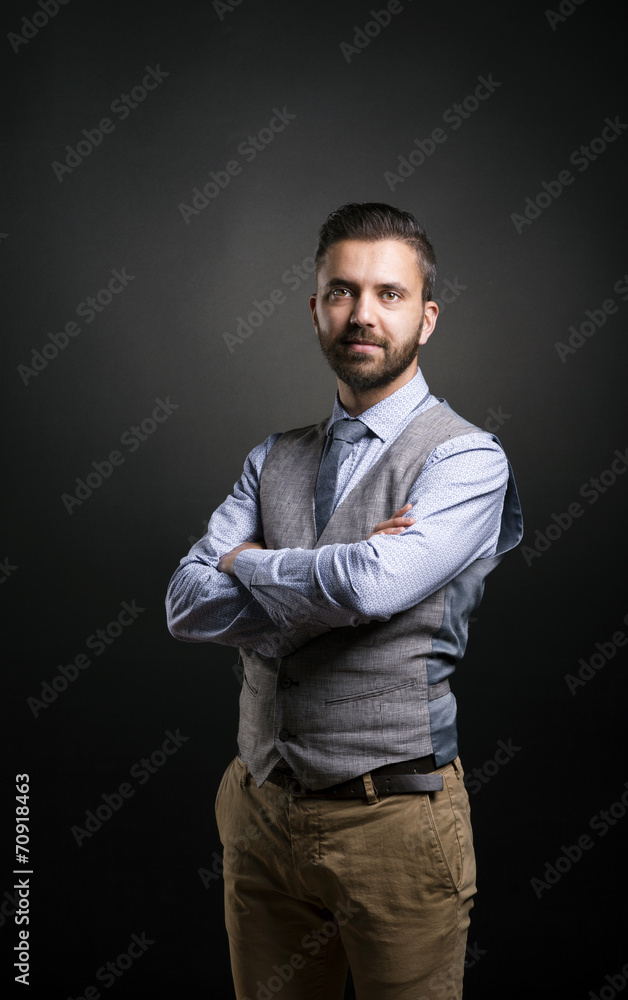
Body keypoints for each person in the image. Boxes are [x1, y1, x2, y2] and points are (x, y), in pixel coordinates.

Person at [165, 202, 523, 999]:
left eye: (388, 294)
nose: (362, 314)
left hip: (392, 821)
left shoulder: (466, 461)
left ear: (425, 318)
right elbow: (186, 604)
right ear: (316, 308)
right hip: (258, 809)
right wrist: (340, 571)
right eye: (341, 292)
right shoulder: (272, 457)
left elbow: (371, 586)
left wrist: (248, 561)